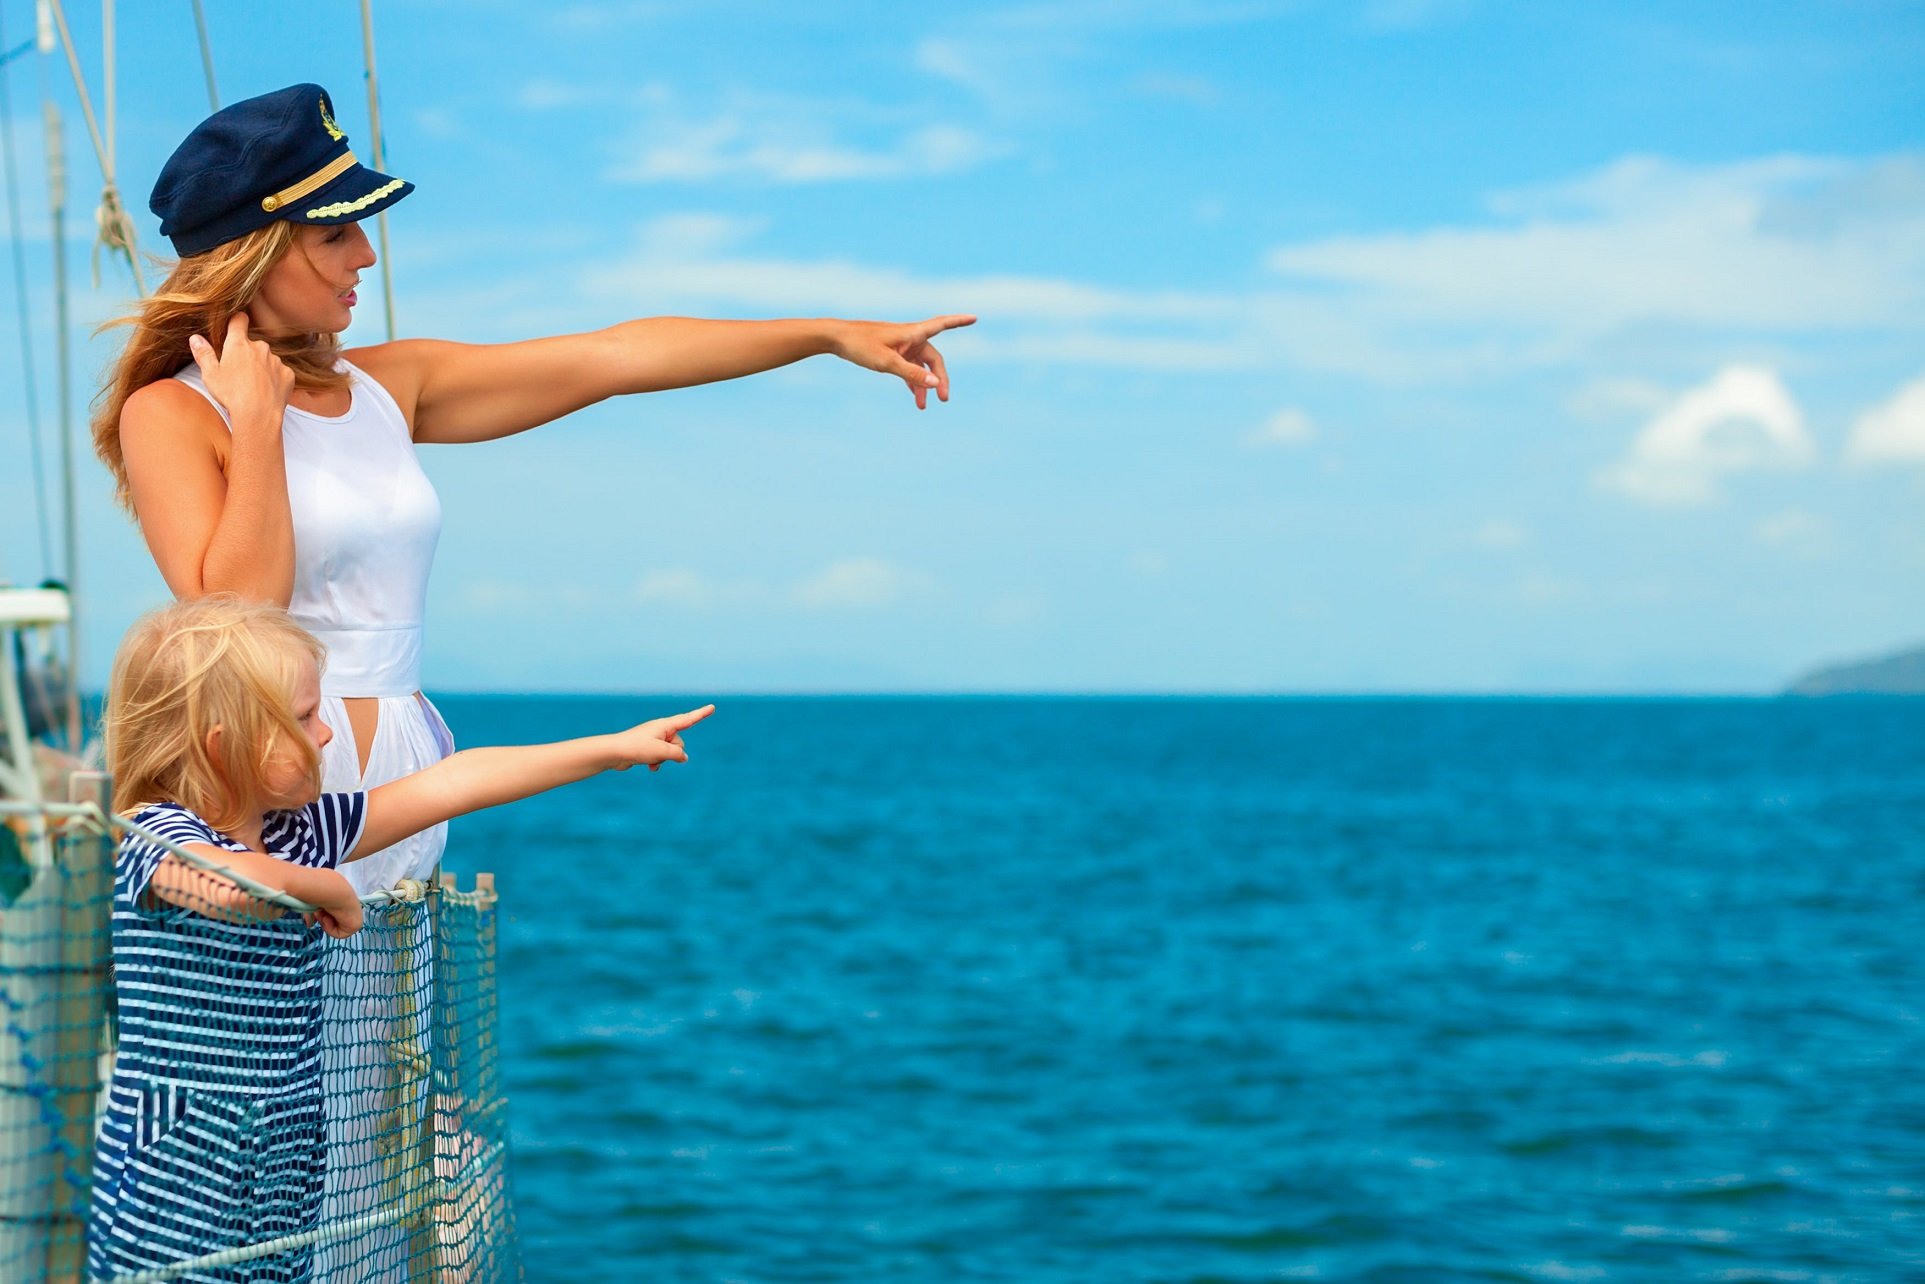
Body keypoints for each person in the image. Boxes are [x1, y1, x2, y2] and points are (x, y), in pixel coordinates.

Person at [90, 82, 968, 1273]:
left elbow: (611, 356)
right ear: (256, 251)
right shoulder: (172, 411)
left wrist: (819, 335)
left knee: (378, 1111)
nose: (363, 256)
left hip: (400, 759)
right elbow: (230, 613)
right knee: (291, 1099)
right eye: (335, 231)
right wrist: (251, 426)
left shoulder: (384, 389)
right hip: (285, 774)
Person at [88, 594, 711, 1281]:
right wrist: (331, 889)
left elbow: (452, 782)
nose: (326, 735)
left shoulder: (297, 831)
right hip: (182, 1154)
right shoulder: (156, 833)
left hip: (286, 1146)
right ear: (223, 744)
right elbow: (226, 888)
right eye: (303, 718)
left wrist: (611, 749)